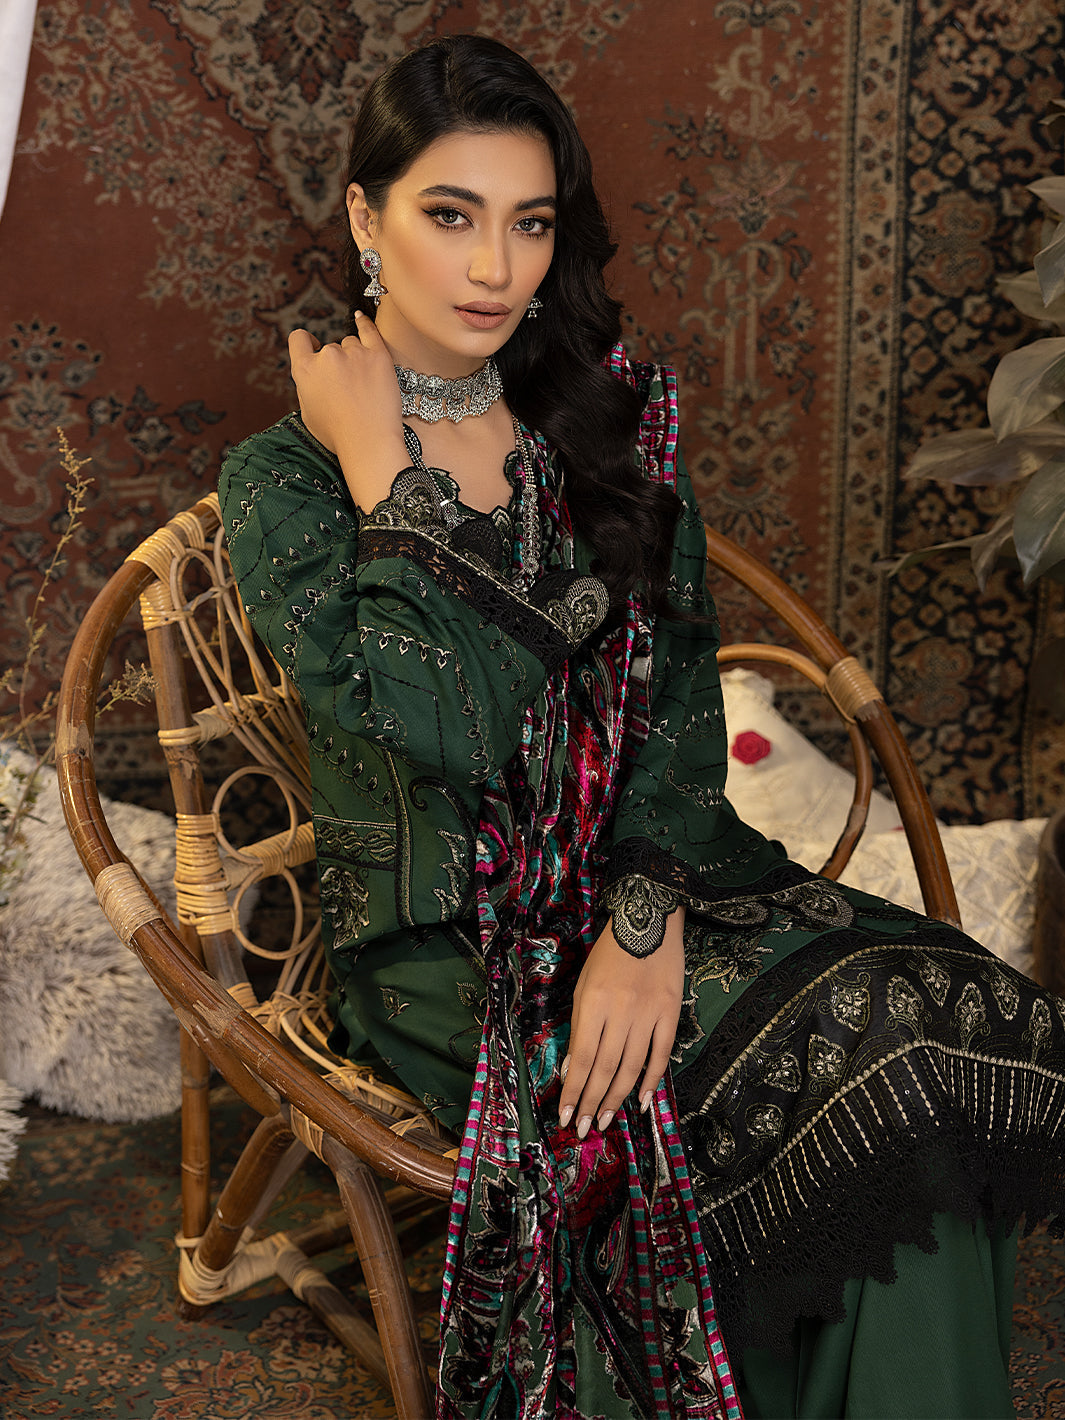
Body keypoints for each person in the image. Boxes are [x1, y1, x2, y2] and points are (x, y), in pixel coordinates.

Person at [219, 33, 1065, 1420]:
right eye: (451, 215)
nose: (495, 267)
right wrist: (387, 474)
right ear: (367, 218)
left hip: (652, 886)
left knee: (924, 1021)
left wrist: (642, 920)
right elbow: (442, 731)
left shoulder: (601, 422)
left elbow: (673, 707)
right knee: (855, 1073)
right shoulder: (289, 480)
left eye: (530, 222)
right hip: (452, 942)